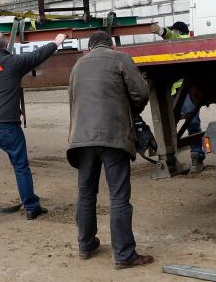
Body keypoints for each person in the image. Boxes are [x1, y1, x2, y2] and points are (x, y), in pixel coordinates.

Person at [67, 31, 153, 269]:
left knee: (86, 194)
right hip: (113, 136)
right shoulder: (121, 59)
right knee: (118, 196)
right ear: (111, 45)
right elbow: (141, 93)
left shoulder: (77, 66)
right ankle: (124, 255)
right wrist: (130, 109)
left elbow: (72, 99)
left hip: (81, 139)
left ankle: (85, 245)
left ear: (89, 48)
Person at [0, 30, 66, 227]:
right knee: (21, 166)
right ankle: (31, 208)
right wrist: (56, 42)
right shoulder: (14, 63)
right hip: (7, 126)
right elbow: (37, 55)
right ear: (6, 46)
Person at [156, 22, 206, 173]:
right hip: (175, 91)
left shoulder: (183, 38)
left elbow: (174, 36)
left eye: (174, 32)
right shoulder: (174, 45)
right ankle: (171, 157)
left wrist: (163, 31)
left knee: (192, 122)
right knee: (176, 125)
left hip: (185, 90)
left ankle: (196, 156)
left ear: (179, 32)